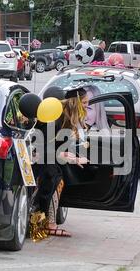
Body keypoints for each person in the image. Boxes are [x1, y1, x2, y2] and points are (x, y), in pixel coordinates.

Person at [31, 86, 90, 240]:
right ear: (75, 103)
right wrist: (69, 157)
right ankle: (49, 224)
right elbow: (44, 145)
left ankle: (44, 221)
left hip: (50, 157)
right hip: (42, 158)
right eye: (84, 103)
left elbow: (58, 145)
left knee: (57, 179)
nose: (87, 106)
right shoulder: (58, 117)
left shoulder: (67, 117)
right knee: (53, 181)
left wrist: (70, 155)